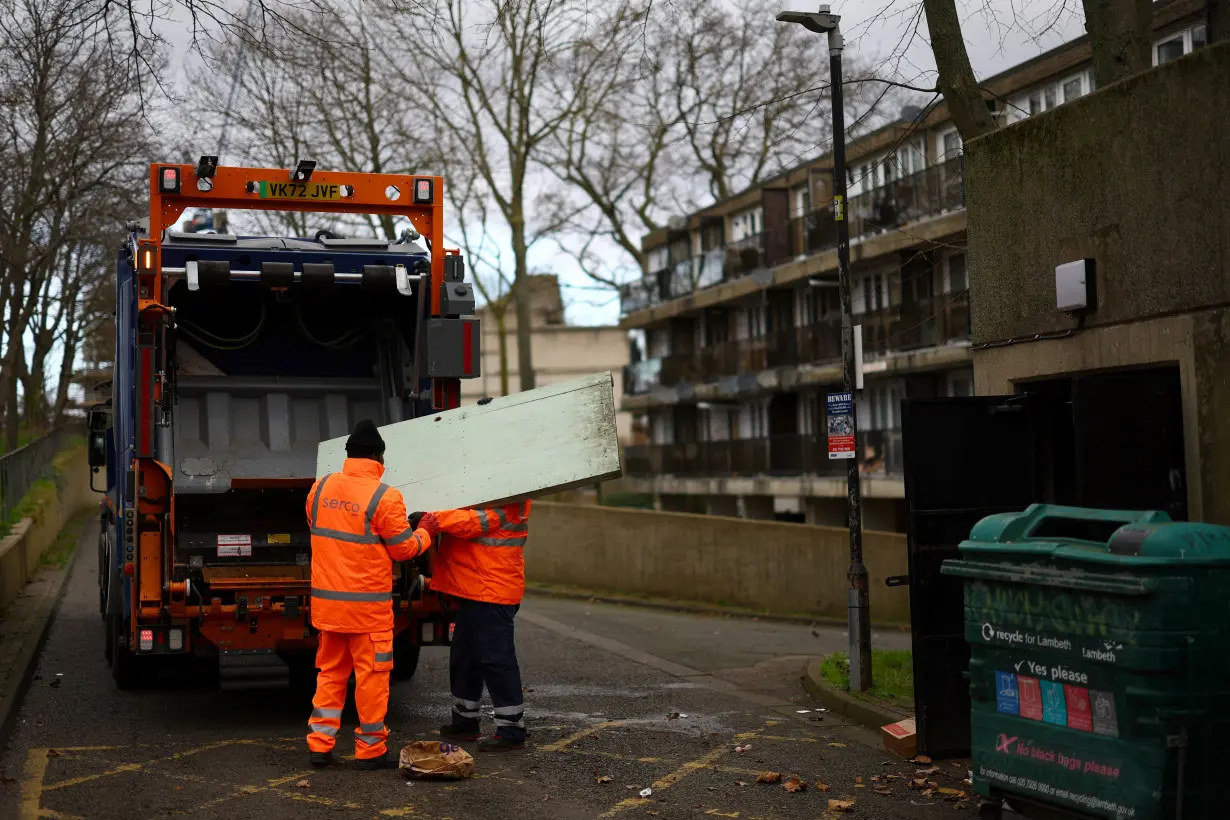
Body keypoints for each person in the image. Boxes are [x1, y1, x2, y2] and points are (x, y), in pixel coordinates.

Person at [305, 419, 440, 770]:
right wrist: (425, 531)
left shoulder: (319, 489)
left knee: (330, 674)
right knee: (371, 678)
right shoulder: (385, 496)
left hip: (329, 609)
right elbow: (404, 550)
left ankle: (320, 746)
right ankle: (370, 750)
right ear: (379, 457)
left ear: (347, 454)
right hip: (368, 613)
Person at [413, 495, 531, 752]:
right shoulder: (488, 485)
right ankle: (465, 721)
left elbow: (478, 522)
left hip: (492, 589)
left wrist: (434, 519)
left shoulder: (512, 492)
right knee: (464, 655)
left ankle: (511, 728)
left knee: (496, 658)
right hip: (471, 587)